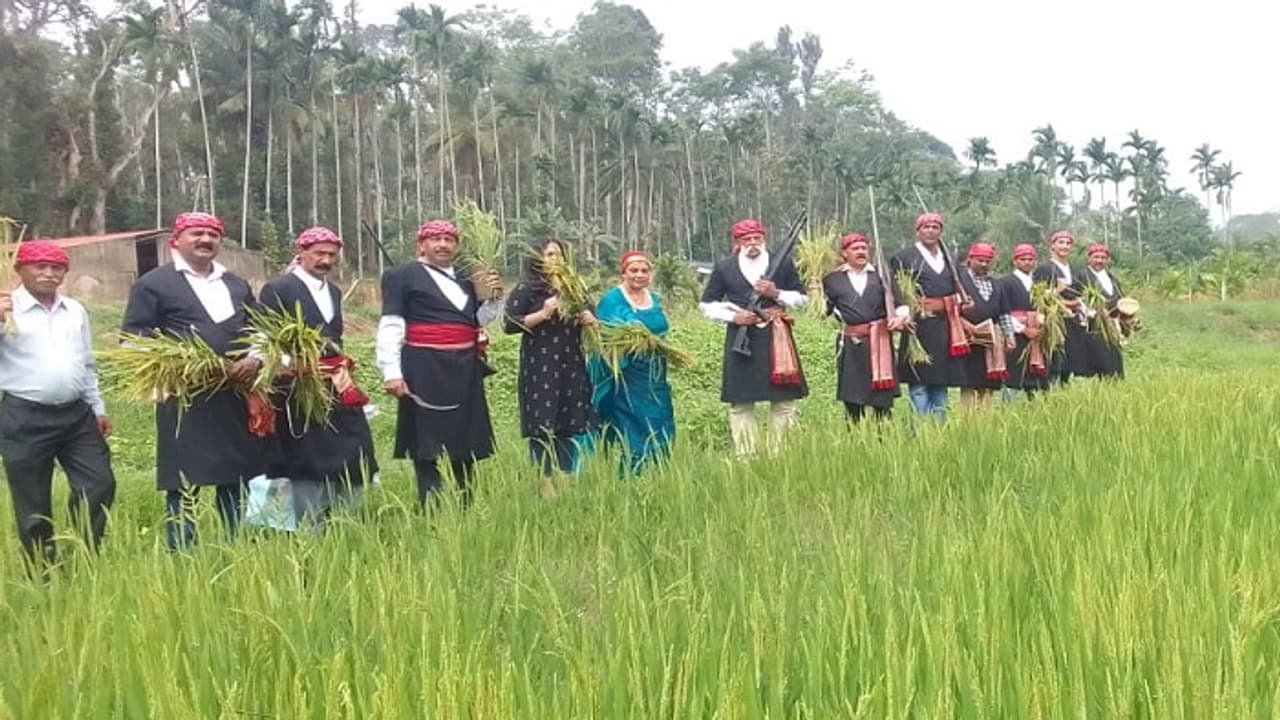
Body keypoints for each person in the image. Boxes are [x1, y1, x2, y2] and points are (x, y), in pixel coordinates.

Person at [122, 212, 269, 550]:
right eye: (197, 234)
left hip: (232, 395)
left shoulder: (235, 284)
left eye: (213, 235)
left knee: (235, 477)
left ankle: (237, 548)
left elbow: (262, 329)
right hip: (184, 397)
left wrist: (255, 358)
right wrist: (186, 366)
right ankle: (183, 555)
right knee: (183, 480)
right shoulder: (154, 284)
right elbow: (133, 340)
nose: (205, 240)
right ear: (177, 240)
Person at [0, 241, 115, 568]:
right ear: (19, 269)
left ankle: (84, 558)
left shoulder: (74, 310)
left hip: (76, 415)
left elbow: (86, 362)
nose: (49, 274)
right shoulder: (6, 309)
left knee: (99, 483)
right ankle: (42, 570)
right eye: (40, 266)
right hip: (24, 416)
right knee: (32, 498)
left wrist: (98, 407)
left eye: (57, 268)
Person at [376, 219, 504, 508]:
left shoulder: (466, 278)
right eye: (436, 239)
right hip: (424, 366)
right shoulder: (402, 275)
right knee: (427, 440)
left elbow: (474, 321)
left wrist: (494, 299)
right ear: (421, 244)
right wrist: (391, 373)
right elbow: (392, 324)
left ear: (456, 246)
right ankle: (431, 507)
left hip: (464, 368)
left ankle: (465, 504)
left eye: (449, 239)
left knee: (465, 437)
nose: (443, 244)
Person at [258, 226, 379, 529]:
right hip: (297, 387)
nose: (325, 260)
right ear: (301, 254)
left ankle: (343, 521)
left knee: (354, 446)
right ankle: (306, 526)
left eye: (331, 255)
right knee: (307, 455)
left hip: (336, 382)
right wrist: (291, 364)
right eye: (319, 254)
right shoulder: (279, 288)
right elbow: (264, 339)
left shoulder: (334, 291)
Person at [698, 218, 808, 458]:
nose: (753, 243)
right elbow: (707, 305)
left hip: (776, 337)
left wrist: (775, 293)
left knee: (784, 402)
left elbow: (802, 298)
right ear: (737, 242)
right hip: (741, 337)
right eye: (746, 239)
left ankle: (781, 456)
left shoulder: (783, 264)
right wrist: (734, 318)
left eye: (757, 238)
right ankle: (746, 457)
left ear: (763, 238)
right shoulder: (724, 267)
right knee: (741, 403)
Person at [502, 238, 600, 497]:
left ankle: (567, 484)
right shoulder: (528, 289)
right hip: (540, 367)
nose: (555, 259)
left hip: (571, 365)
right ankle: (545, 488)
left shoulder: (575, 288)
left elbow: (593, 318)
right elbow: (510, 324)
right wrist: (544, 313)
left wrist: (590, 319)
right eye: (549, 254)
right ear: (538, 259)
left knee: (567, 426)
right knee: (542, 427)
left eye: (558, 254)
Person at [587, 251, 676, 475]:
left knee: (661, 418)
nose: (639, 275)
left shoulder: (653, 298)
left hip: (655, 373)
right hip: (627, 374)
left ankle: (659, 473)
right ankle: (633, 475)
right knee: (635, 423)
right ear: (623, 273)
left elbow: (661, 327)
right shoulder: (612, 299)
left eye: (644, 271)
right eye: (633, 270)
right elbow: (605, 334)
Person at [889, 213, 971, 421]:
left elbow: (958, 287)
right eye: (926, 227)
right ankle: (921, 429)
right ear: (917, 231)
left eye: (935, 227)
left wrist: (963, 301)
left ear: (940, 231)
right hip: (918, 326)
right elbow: (897, 291)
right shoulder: (903, 257)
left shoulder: (949, 259)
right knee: (919, 382)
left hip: (944, 326)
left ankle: (939, 429)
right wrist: (904, 314)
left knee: (940, 382)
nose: (931, 231)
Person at [821, 233, 903, 423]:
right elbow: (823, 312)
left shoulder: (882, 275)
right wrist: (816, 292)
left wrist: (900, 318)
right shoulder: (832, 280)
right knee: (852, 397)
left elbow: (900, 304)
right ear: (844, 253)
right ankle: (854, 441)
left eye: (863, 248)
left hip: (880, 341)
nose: (860, 252)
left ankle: (885, 441)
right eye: (855, 249)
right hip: (851, 344)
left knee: (882, 398)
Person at [955, 242, 1014, 409]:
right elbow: (953, 309)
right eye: (980, 260)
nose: (983, 264)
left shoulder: (997, 285)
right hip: (968, 339)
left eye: (987, 261)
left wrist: (1009, 336)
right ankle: (968, 421)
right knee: (968, 382)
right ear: (970, 259)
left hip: (992, 341)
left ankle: (986, 423)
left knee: (988, 383)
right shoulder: (959, 282)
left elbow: (1004, 313)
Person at [1033, 229, 1089, 386]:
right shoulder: (1044, 269)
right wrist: (1066, 301)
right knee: (1054, 360)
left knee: (1069, 361)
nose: (1064, 246)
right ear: (1053, 246)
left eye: (1068, 243)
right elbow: (1040, 297)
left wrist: (1080, 305)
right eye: (1061, 242)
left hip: (1073, 321)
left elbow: (1081, 294)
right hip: (1054, 321)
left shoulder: (1075, 271)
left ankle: (1064, 391)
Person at [1000, 243, 1050, 400]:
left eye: (1030, 259)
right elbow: (1003, 312)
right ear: (1014, 261)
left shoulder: (1037, 285)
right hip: (1016, 336)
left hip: (1037, 336)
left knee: (1036, 377)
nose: (1027, 262)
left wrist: (1041, 325)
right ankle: (1008, 412)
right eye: (1023, 259)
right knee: (1014, 375)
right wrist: (1023, 329)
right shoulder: (1006, 282)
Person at [1081, 243, 1125, 379]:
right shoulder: (1081, 276)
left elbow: (1121, 299)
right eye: (1096, 257)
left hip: (1113, 326)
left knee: (1114, 362)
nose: (1099, 260)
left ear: (1107, 260)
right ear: (1088, 258)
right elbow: (1076, 300)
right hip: (1093, 327)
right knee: (1100, 363)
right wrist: (1094, 312)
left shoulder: (1112, 279)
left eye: (1103, 257)